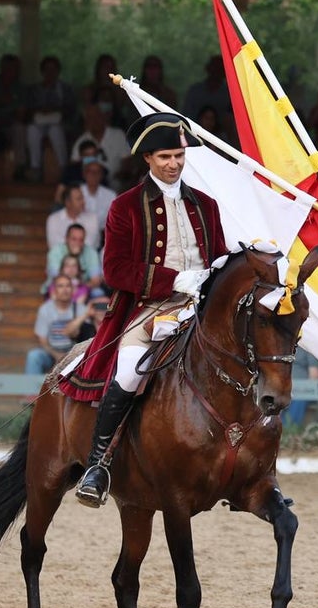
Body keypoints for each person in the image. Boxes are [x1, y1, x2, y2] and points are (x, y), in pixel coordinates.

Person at [64, 112, 229, 508]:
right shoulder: (124, 207)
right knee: (129, 371)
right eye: (165, 157)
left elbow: (220, 254)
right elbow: (114, 269)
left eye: (179, 156)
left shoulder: (206, 205)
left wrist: (225, 268)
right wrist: (174, 280)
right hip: (150, 308)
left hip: (202, 307)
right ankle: (98, 465)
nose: (174, 164)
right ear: (148, 159)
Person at [25, 274, 82, 375]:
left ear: (72, 290)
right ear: (54, 290)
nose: (65, 290)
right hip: (51, 354)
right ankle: (31, 386)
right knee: (34, 356)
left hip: (74, 355)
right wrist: (57, 355)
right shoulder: (45, 309)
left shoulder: (81, 309)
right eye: (60, 286)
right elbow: (42, 340)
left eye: (68, 286)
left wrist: (68, 357)